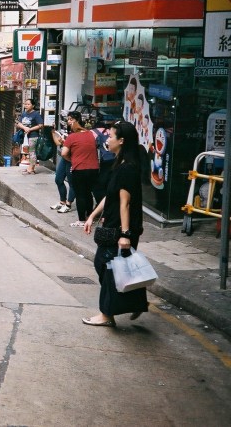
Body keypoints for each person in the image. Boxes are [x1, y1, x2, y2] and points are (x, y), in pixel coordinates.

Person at [82, 121, 147, 326]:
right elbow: (110, 196)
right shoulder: (118, 164)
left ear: (121, 141)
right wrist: (92, 215)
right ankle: (135, 302)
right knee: (113, 267)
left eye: (110, 136)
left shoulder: (128, 168)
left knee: (107, 267)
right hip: (114, 225)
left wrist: (125, 235)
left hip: (120, 229)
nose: (107, 139)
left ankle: (106, 314)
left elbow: (125, 203)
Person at [62, 111, 100, 227]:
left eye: (69, 119)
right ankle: (90, 216)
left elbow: (64, 153)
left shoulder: (71, 137)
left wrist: (71, 160)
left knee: (80, 194)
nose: (68, 122)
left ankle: (81, 220)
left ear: (74, 120)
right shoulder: (90, 134)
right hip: (93, 168)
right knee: (88, 193)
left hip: (79, 168)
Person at [15, 98, 43, 174]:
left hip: (34, 135)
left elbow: (40, 125)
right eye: (25, 104)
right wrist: (24, 128)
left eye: (28, 104)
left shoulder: (36, 114)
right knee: (29, 152)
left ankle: (31, 168)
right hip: (25, 135)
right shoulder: (24, 113)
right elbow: (19, 123)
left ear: (33, 105)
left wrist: (30, 129)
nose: (26, 106)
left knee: (32, 151)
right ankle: (30, 167)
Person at [50, 127, 75, 214]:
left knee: (72, 182)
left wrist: (65, 142)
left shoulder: (78, 133)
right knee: (58, 179)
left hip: (72, 158)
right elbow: (57, 143)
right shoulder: (65, 131)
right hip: (65, 158)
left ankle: (68, 205)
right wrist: (53, 132)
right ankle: (62, 202)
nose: (69, 121)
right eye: (68, 119)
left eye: (71, 119)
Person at [91, 122, 117, 203]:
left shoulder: (93, 132)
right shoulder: (110, 131)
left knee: (98, 185)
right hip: (115, 159)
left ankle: (101, 204)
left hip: (104, 161)